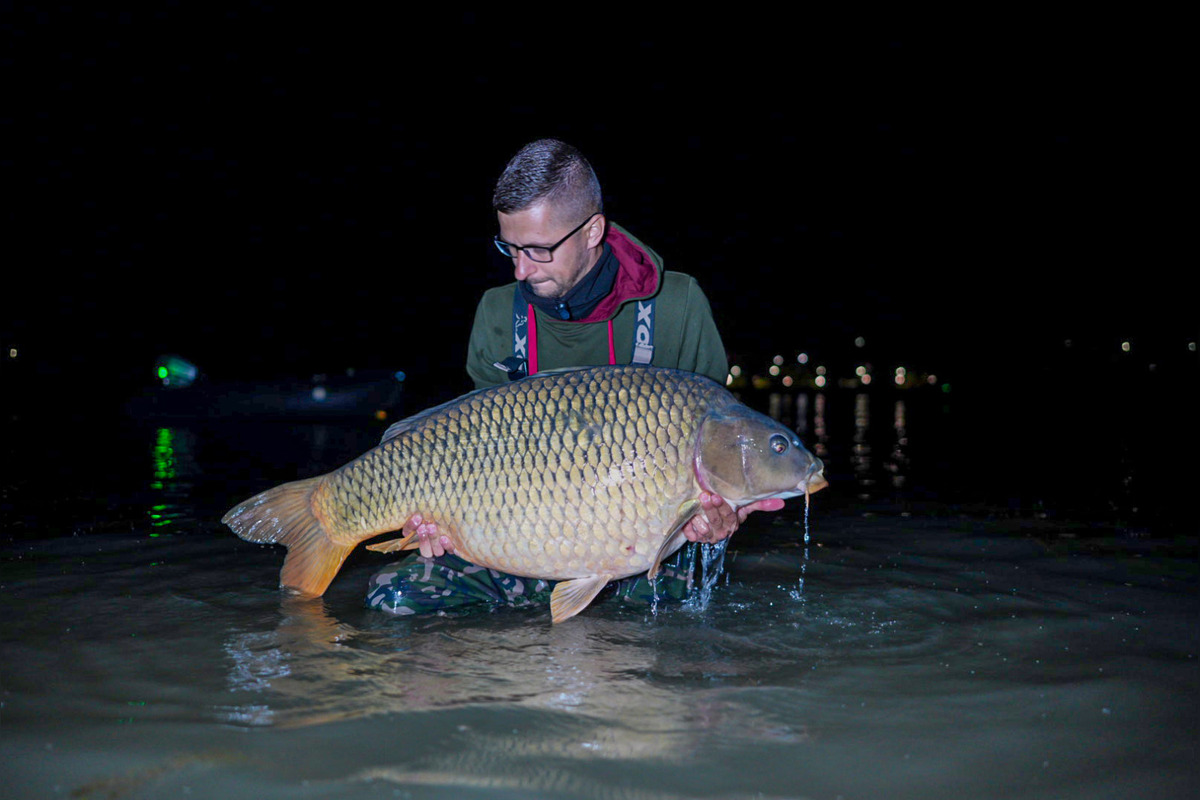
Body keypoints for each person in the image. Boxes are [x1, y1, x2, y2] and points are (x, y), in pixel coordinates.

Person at [367, 139, 783, 615]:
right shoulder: (497, 313)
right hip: (520, 539)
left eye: (539, 249)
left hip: (649, 548)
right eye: (510, 248)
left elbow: (714, 458)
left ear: (592, 231)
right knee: (395, 598)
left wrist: (720, 516)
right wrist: (441, 524)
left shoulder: (679, 305)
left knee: (672, 625)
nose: (521, 269)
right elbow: (476, 452)